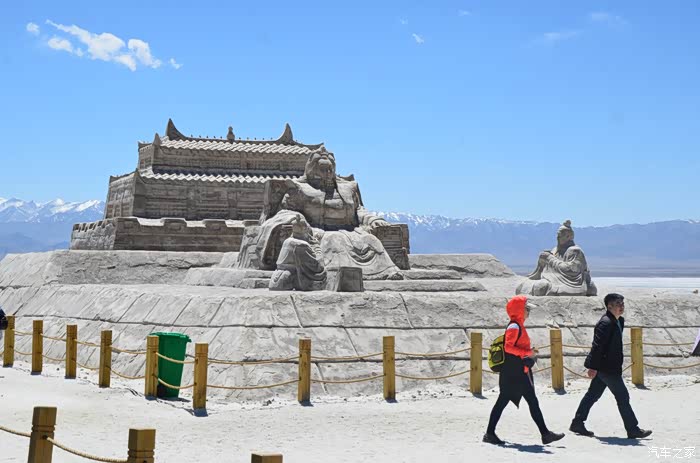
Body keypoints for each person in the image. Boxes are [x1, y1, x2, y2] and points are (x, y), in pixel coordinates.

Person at [483, 295, 565, 446]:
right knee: (506, 401)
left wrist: (528, 351)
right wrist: (527, 352)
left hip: (519, 371)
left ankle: (545, 434)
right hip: (514, 373)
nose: (528, 312)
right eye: (526, 309)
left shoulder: (518, 325)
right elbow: (508, 348)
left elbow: (516, 346)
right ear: (519, 310)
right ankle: (489, 433)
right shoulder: (514, 326)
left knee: (530, 401)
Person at [570, 293, 652, 439]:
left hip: (609, 366)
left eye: (622, 303)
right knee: (623, 397)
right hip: (607, 368)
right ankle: (632, 429)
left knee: (592, 395)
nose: (622, 306)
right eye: (618, 304)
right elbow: (597, 346)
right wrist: (593, 367)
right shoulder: (605, 323)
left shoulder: (619, 321)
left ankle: (577, 422)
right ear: (609, 306)